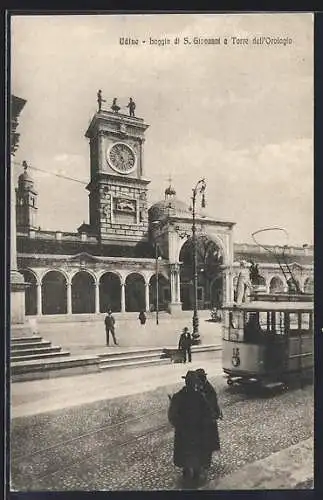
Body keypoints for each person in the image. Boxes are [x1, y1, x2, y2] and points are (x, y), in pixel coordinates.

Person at [168, 370, 215, 486]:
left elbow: (172, 415)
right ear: (194, 383)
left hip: (183, 432)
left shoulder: (178, 396)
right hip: (197, 431)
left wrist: (178, 425)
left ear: (186, 382)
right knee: (196, 452)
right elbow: (208, 412)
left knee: (185, 451)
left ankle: (186, 470)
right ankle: (196, 473)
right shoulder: (200, 397)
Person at [195, 368, 222, 473]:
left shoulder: (208, 389)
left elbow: (211, 405)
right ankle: (204, 460)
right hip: (205, 420)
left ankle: (206, 462)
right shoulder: (202, 388)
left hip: (209, 420)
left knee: (208, 442)